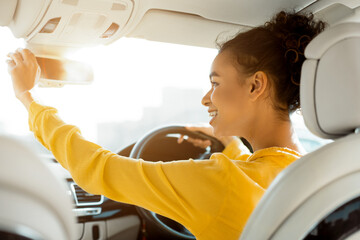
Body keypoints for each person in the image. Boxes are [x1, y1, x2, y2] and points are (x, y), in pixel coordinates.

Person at [6, 11, 326, 240]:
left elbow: (96, 169)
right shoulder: (313, 173)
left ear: (256, 86)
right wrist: (228, 144)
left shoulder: (221, 182)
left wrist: (29, 99)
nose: (206, 99)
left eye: (215, 83)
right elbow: (254, 179)